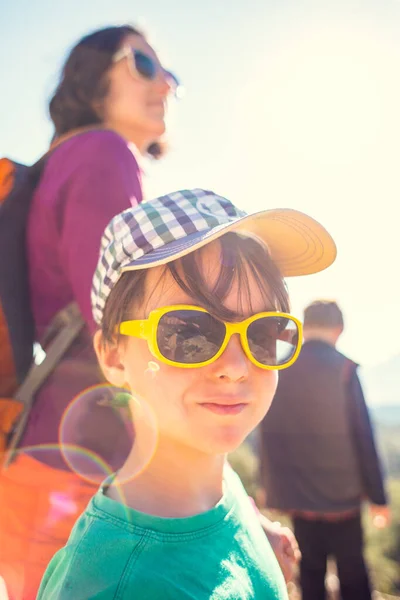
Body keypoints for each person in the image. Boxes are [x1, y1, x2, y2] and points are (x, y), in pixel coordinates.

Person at [37, 188, 336, 599]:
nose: (235, 367)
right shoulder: (117, 586)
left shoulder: (216, 480)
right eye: (189, 333)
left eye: (263, 332)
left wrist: (253, 540)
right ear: (113, 356)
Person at [0, 24, 179, 600]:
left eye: (170, 75)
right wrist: (220, 497)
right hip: (89, 477)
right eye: (143, 67)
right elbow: (128, 335)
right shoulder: (103, 152)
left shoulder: (59, 164)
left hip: (38, 462)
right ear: (92, 76)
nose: (165, 86)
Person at [258, 299, 390, 600]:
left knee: (311, 576)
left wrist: (270, 485)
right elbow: (363, 437)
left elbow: (268, 432)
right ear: (339, 329)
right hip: (344, 497)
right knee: (353, 573)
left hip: (300, 496)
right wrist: (378, 498)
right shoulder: (344, 369)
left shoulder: (283, 369)